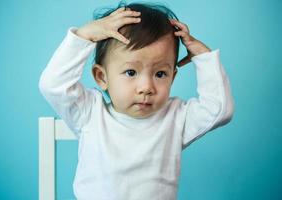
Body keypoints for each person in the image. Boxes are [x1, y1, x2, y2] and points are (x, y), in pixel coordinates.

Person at [39, 1, 234, 199]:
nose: (146, 87)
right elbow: (53, 85)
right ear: (102, 77)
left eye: (160, 74)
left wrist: (203, 56)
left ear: (173, 77)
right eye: (131, 72)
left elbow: (219, 110)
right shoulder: (90, 113)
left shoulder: (175, 117)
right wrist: (85, 35)